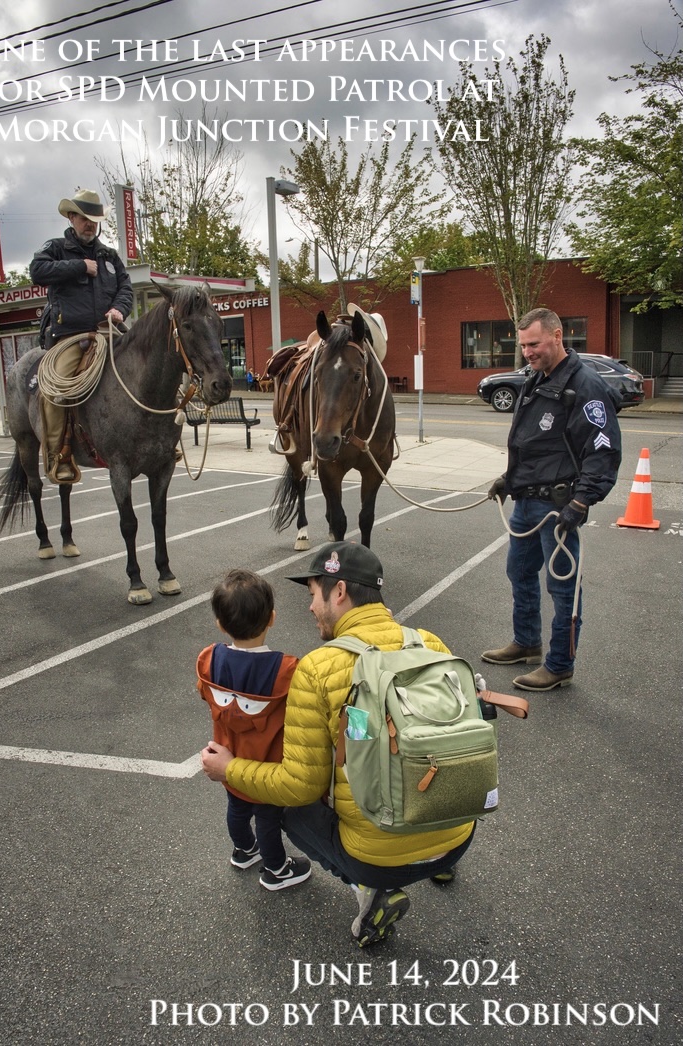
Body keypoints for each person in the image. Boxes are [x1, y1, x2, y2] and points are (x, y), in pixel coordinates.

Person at [202, 542, 476, 947]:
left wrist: (229, 770)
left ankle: (370, 890)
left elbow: (299, 786)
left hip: (382, 863)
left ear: (340, 591)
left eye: (313, 594)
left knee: (288, 808)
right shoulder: (430, 643)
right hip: (457, 838)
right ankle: (437, 861)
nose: (311, 607)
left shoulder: (317, 668)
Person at [482, 308, 622, 692]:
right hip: (527, 501)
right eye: (523, 344)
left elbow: (602, 449)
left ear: (558, 336)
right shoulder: (536, 378)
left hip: (558, 508)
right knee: (520, 573)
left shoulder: (584, 385)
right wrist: (508, 480)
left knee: (563, 587)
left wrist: (582, 501)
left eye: (534, 343)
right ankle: (527, 643)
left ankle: (559, 664)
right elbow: (531, 444)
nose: (527, 351)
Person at [197, 568, 312, 892]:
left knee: (236, 806)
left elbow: (202, 689)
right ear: (272, 618)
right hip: (266, 765)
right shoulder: (287, 669)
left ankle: (244, 850)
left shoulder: (209, 658)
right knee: (267, 817)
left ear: (220, 624)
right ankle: (275, 869)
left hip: (227, 758)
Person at [29, 189, 134, 483]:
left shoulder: (109, 256)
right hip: (70, 336)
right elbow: (36, 271)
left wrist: (119, 309)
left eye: (94, 220)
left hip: (107, 331)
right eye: (85, 219)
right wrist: (78, 266)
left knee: (146, 366)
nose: (90, 225)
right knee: (54, 391)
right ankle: (58, 456)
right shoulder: (56, 248)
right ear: (72, 217)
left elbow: (125, 287)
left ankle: (159, 439)